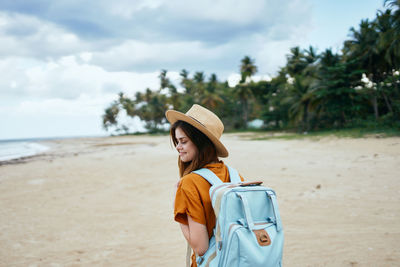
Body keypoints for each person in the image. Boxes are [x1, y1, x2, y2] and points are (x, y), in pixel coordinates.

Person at [165, 104, 243, 267]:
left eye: (183, 141)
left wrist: (177, 208)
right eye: (177, 142)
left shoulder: (189, 183)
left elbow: (200, 247)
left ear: (200, 142)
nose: (178, 147)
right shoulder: (235, 175)